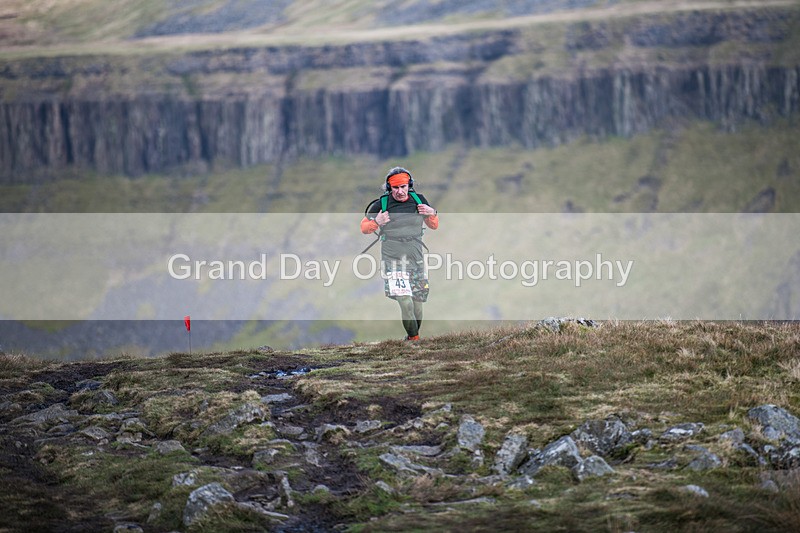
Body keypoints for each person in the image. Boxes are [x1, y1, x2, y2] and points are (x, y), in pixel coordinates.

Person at [360, 167, 439, 341]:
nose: (400, 191)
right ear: (389, 188)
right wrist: (376, 221)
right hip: (393, 260)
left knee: (418, 304)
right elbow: (364, 227)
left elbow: (434, 225)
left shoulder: (419, 200)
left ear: (409, 185)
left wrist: (432, 213)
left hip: (416, 259)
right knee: (405, 301)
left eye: (403, 186)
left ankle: (412, 338)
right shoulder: (381, 204)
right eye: (395, 188)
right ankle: (415, 340)